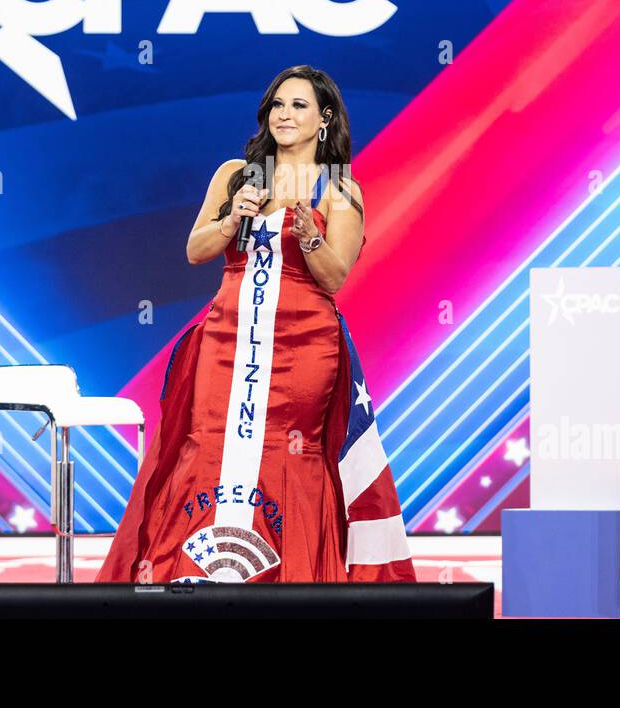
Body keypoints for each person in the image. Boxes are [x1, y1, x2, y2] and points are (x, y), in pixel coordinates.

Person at [95, 65, 416, 583]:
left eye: (299, 106)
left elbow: (335, 278)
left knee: (287, 451)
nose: (285, 115)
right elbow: (196, 251)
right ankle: (189, 576)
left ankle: (293, 579)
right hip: (227, 338)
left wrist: (310, 236)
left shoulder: (340, 190)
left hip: (304, 345)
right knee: (210, 443)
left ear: (324, 120)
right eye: (278, 105)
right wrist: (228, 221)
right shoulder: (235, 174)